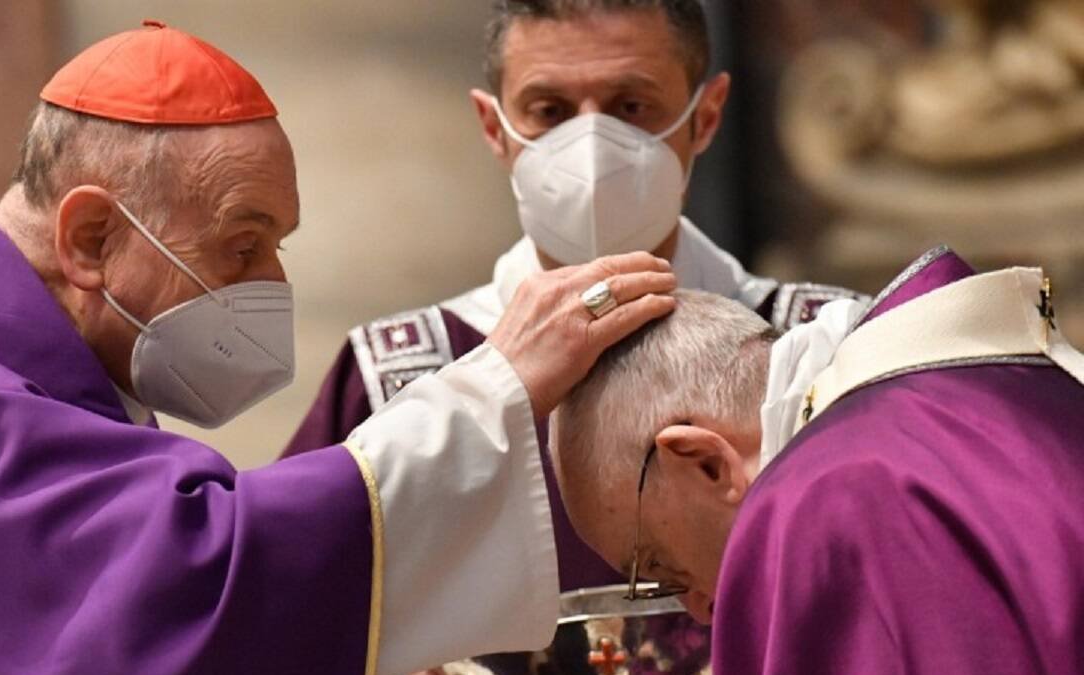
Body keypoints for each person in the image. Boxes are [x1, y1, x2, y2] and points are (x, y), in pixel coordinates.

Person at [0, 21, 680, 675]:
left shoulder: (17, 371)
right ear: (92, 239)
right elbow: (189, 578)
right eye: (242, 246)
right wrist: (489, 389)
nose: (270, 284)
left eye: (280, 250)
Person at [285, 1, 862, 670]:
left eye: (632, 106)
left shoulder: (829, 349)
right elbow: (284, 612)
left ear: (706, 116)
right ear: (493, 126)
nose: (590, 146)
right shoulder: (397, 378)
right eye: (549, 111)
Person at [551, 246, 1084, 673]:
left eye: (662, 568)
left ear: (704, 461)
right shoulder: (991, 396)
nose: (697, 610)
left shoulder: (830, 500)